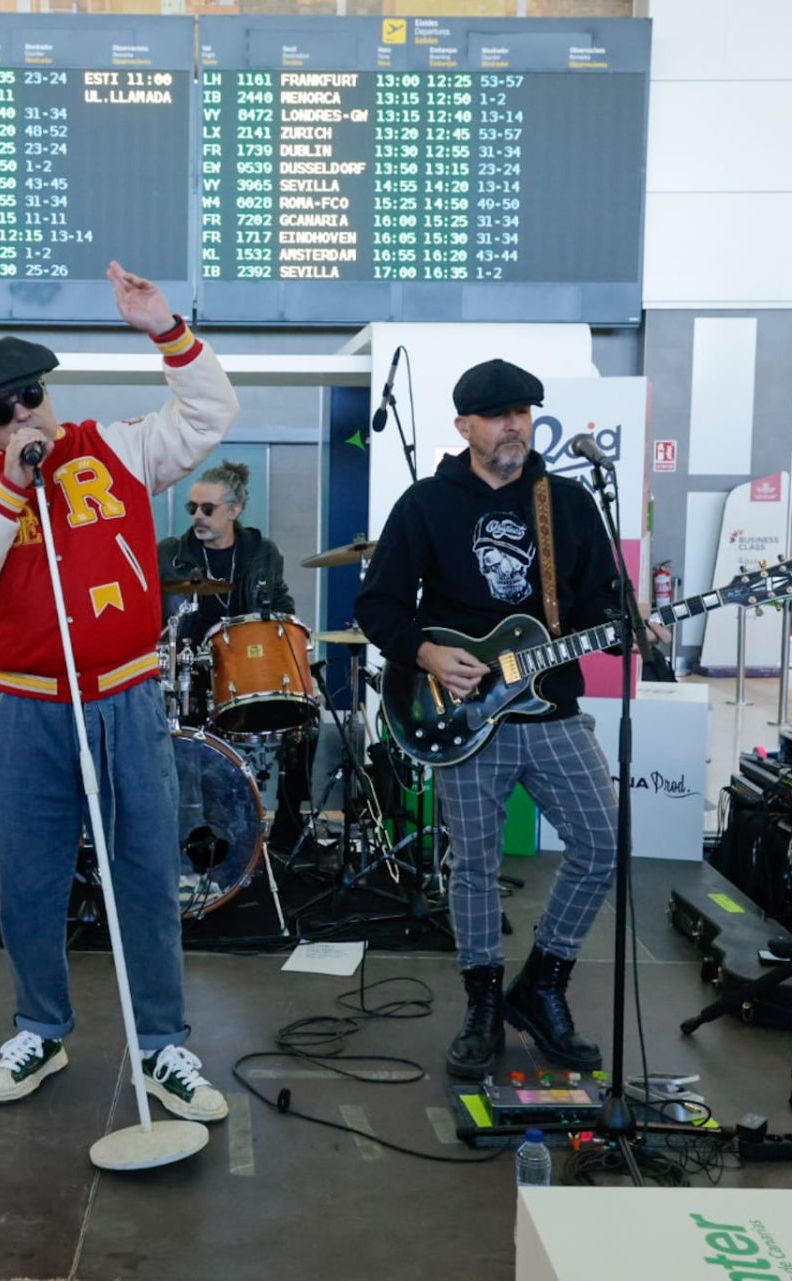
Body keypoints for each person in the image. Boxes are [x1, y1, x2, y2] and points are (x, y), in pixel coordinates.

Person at [0, 262, 239, 1123]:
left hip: (126, 699)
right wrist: (13, 487)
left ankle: (163, 1043)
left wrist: (165, 329)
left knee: (145, 870)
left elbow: (211, 413)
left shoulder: (117, 446)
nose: (24, 415)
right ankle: (41, 1027)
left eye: (31, 396)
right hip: (25, 708)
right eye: (0, 410)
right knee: (25, 876)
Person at [355, 358, 663, 1079]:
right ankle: (483, 1003)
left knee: (600, 841)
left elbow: (598, 606)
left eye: (523, 410)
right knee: (475, 868)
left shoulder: (569, 502)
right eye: (497, 414)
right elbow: (377, 607)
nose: (513, 424)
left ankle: (544, 985)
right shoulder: (428, 503)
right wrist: (428, 652)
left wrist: (629, 622)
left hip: (551, 708)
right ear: (465, 425)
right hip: (465, 714)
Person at [156, 460, 314, 854]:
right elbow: (151, 617)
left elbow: (280, 606)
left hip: (249, 670)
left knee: (305, 723)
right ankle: (194, 836)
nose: (197, 516)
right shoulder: (170, 555)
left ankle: (288, 838)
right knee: (188, 753)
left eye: (207, 509)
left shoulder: (262, 553)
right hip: (192, 675)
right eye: (191, 508)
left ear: (234, 509)